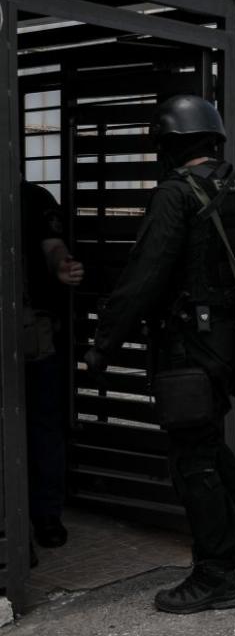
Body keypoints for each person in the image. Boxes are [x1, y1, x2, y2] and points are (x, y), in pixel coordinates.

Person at [82, 94, 235, 614]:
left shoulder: (176, 194)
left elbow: (144, 276)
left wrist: (102, 345)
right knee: (206, 439)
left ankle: (216, 575)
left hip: (189, 347)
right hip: (233, 344)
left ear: (170, 145)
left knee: (191, 459)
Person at [21, 179, 84, 552]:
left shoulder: (33, 197)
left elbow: (53, 245)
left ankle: (45, 515)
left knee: (44, 423)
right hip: (33, 333)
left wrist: (62, 264)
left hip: (33, 332)